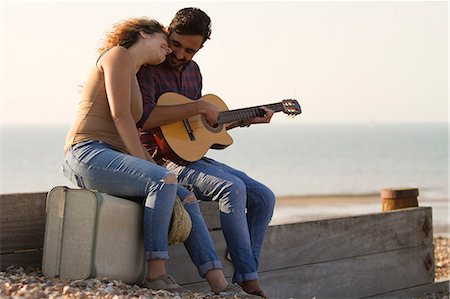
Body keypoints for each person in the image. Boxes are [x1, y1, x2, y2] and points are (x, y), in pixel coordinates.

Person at [62, 17, 239, 295]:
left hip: (112, 156)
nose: (169, 51)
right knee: (164, 180)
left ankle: (221, 286)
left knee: (186, 197)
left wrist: (153, 169)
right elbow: (120, 116)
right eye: (164, 43)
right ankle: (156, 274)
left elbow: (133, 128)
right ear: (145, 33)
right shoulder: (118, 55)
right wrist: (153, 169)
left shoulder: (135, 71)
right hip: (87, 152)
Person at [137, 8, 275, 298]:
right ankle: (249, 283)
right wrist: (199, 106)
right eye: (176, 44)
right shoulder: (149, 66)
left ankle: (243, 265)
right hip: (158, 160)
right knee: (232, 187)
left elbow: (196, 132)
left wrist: (243, 120)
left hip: (191, 159)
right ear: (168, 31)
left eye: (191, 50)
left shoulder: (193, 72)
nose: (180, 54)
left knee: (264, 197)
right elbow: (145, 118)